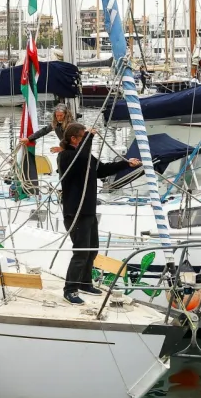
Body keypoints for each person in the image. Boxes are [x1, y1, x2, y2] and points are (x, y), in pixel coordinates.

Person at [57, 122, 139, 305]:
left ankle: (85, 283)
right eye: (82, 136)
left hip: (88, 211)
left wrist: (126, 164)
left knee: (92, 248)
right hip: (75, 212)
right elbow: (81, 158)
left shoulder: (85, 157)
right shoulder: (66, 156)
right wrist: (90, 137)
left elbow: (102, 169)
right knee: (81, 252)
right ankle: (69, 289)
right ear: (74, 139)